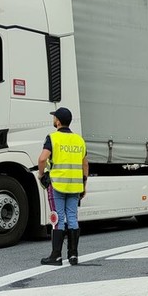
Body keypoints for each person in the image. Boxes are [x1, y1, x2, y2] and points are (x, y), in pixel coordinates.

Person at [37, 107, 88, 265]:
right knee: (72, 217)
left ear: (58, 121)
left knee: (58, 218)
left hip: (57, 185)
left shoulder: (53, 138)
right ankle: (73, 255)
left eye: (54, 117)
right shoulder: (79, 140)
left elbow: (42, 159)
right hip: (75, 186)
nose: (53, 119)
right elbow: (85, 164)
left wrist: (41, 175)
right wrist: (84, 184)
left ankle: (56, 256)